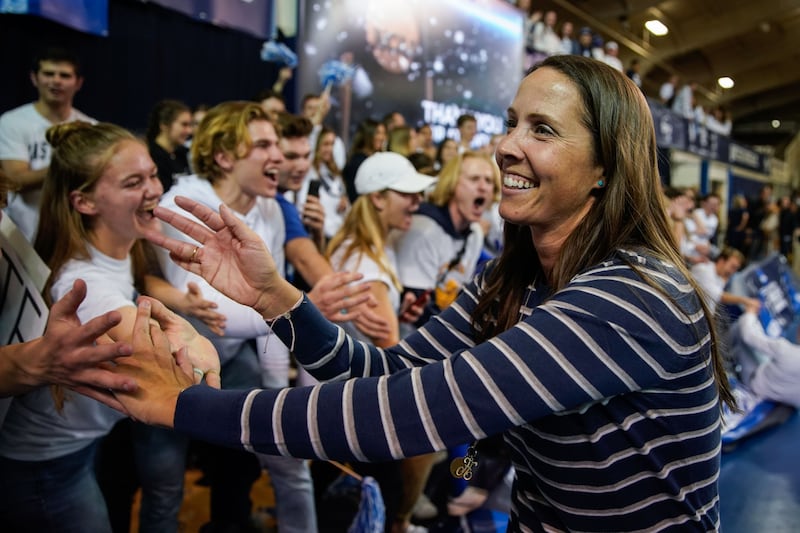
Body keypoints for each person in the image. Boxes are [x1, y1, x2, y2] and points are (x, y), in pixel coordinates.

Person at [114, 55, 733, 532]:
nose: (507, 146)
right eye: (512, 123)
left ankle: (436, 502)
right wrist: (276, 297)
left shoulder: (630, 296)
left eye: (541, 129)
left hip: (474, 450)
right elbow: (389, 370)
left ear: (605, 166)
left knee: (452, 459)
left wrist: (183, 405)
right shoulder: (506, 277)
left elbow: (400, 415)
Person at [0, 121, 218, 533]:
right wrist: (193, 344)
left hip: (78, 448)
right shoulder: (83, 284)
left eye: (153, 174)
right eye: (134, 182)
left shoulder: (121, 245)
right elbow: (160, 349)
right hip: (46, 467)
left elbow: (138, 281)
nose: (154, 190)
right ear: (84, 202)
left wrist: (180, 302)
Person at [0, 47, 94, 241]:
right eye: (48, 73)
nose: (56, 80)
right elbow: (15, 180)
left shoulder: (92, 127)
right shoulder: (12, 122)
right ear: (34, 78)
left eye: (65, 75)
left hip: (74, 235)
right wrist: (69, 164)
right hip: (24, 235)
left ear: (78, 83)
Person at [145, 99, 192, 192]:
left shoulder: (182, 153)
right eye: (184, 125)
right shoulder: (149, 156)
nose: (189, 131)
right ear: (164, 125)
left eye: (190, 125)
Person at [343, 118, 387, 202]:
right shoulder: (357, 161)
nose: (382, 137)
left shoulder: (378, 159)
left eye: (384, 133)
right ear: (367, 134)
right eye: (378, 133)